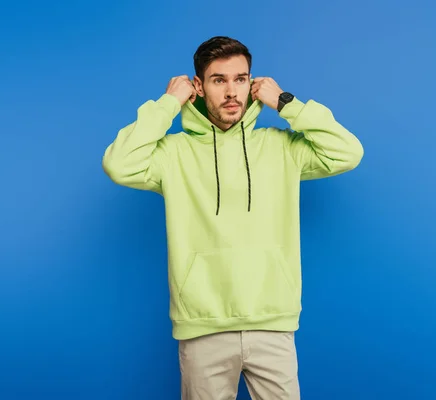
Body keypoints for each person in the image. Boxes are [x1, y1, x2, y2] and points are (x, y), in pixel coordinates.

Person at [102, 36, 364, 400]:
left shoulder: (281, 147)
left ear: (252, 84)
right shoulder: (172, 154)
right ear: (198, 86)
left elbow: (348, 152)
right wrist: (166, 104)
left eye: (240, 79)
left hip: (272, 322)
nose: (231, 91)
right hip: (202, 326)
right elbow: (118, 163)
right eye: (218, 79)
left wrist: (286, 103)